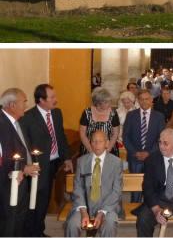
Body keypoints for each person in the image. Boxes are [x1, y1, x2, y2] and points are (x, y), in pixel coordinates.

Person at [19, 83, 73, 237]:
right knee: (35, 201)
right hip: (37, 166)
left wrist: (67, 157)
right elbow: (24, 145)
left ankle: (38, 230)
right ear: (41, 100)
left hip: (54, 163)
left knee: (44, 200)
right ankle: (31, 232)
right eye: (52, 97)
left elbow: (60, 137)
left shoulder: (56, 113)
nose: (55, 100)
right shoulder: (27, 118)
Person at [65, 130, 123, 237]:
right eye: (94, 141)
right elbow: (78, 188)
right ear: (90, 143)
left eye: (100, 141)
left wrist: (101, 213)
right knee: (72, 224)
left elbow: (116, 192)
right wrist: (83, 212)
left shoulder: (116, 163)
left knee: (109, 224)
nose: (96, 145)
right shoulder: (82, 161)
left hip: (107, 205)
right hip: (85, 205)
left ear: (107, 143)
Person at [0, 88, 41, 237]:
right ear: (12, 105)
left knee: (19, 220)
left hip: (20, 181)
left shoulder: (17, 122)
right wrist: (24, 168)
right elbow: (3, 156)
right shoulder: (2, 124)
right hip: (7, 183)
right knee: (9, 222)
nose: (26, 105)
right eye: (23, 101)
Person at [123, 89, 166, 203]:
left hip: (152, 158)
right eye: (141, 99)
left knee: (151, 186)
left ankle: (149, 208)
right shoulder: (131, 115)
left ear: (151, 100)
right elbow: (125, 137)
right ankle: (135, 205)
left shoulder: (159, 117)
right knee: (135, 187)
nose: (144, 102)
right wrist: (134, 152)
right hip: (135, 158)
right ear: (138, 101)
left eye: (147, 99)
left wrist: (149, 153)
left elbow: (161, 139)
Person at [79, 87, 120, 157]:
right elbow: (82, 134)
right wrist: (91, 150)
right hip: (89, 149)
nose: (110, 104)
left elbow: (115, 134)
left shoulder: (113, 113)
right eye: (107, 102)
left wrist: (107, 150)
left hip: (109, 150)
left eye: (109, 101)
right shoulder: (86, 113)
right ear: (98, 103)